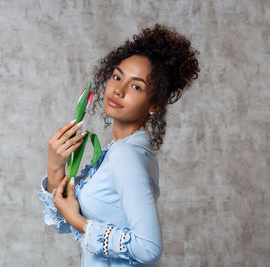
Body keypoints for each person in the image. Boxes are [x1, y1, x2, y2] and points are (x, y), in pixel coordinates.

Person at [38, 24, 200, 266]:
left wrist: (78, 221)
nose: (119, 90)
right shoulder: (118, 149)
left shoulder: (127, 155)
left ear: (154, 105)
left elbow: (149, 248)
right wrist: (55, 166)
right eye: (117, 76)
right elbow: (64, 218)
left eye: (136, 86)